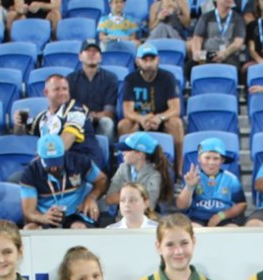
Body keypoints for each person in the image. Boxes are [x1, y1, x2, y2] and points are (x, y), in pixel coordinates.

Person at [13, 73, 104, 170]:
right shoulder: (43, 117)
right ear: (46, 92)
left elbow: (67, 139)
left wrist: (41, 159)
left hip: (83, 164)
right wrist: (19, 123)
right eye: (57, 89)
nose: (62, 93)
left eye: (65, 89)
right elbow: (20, 133)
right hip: (55, 166)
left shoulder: (77, 109)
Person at [120, 43, 186, 173]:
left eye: (152, 59)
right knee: (124, 124)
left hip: (162, 121)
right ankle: (126, 171)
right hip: (140, 121)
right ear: (137, 61)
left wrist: (160, 118)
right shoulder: (130, 79)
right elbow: (127, 111)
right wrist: (141, 119)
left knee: (176, 123)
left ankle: (179, 171)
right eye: (145, 59)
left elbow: (175, 109)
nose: (149, 63)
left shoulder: (167, 77)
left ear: (158, 60)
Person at [20, 133, 108, 230]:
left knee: (79, 227)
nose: (54, 168)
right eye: (49, 163)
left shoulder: (79, 162)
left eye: (57, 162)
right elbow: (28, 211)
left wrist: (92, 197)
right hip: (46, 214)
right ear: (39, 157)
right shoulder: (30, 173)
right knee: (30, 228)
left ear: (64, 153)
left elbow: (102, 180)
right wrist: (43, 218)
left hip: (75, 213)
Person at [175, 138, 247, 226]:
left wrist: (221, 216)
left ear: (222, 160)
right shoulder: (191, 177)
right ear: (199, 159)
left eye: (216, 158)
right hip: (196, 219)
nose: (211, 162)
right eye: (207, 158)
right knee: (193, 228)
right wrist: (189, 187)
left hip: (224, 218)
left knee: (232, 228)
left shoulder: (231, 179)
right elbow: (181, 206)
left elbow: (241, 204)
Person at [105, 130, 174, 213]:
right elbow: (109, 198)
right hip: (123, 218)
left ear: (140, 154)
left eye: (127, 149)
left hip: (147, 219)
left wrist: (123, 196)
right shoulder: (123, 168)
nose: (123, 153)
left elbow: (149, 206)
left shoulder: (155, 175)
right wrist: (138, 197)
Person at [67, 39, 119, 144]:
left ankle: (106, 152)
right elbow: (68, 108)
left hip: (100, 120)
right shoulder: (70, 79)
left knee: (107, 122)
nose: (92, 54)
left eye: (95, 51)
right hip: (77, 119)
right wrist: (83, 117)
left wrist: (93, 116)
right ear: (80, 56)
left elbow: (109, 113)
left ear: (101, 57)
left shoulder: (110, 78)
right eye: (88, 51)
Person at [189, 0, 247, 68]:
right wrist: (197, 52)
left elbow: (238, 42)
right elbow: (197, 38)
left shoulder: (238, 19)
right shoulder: (206, 17)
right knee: (191, 66)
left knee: (231, 65)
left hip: (228, 54)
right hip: (209, 54)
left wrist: (224, 53)